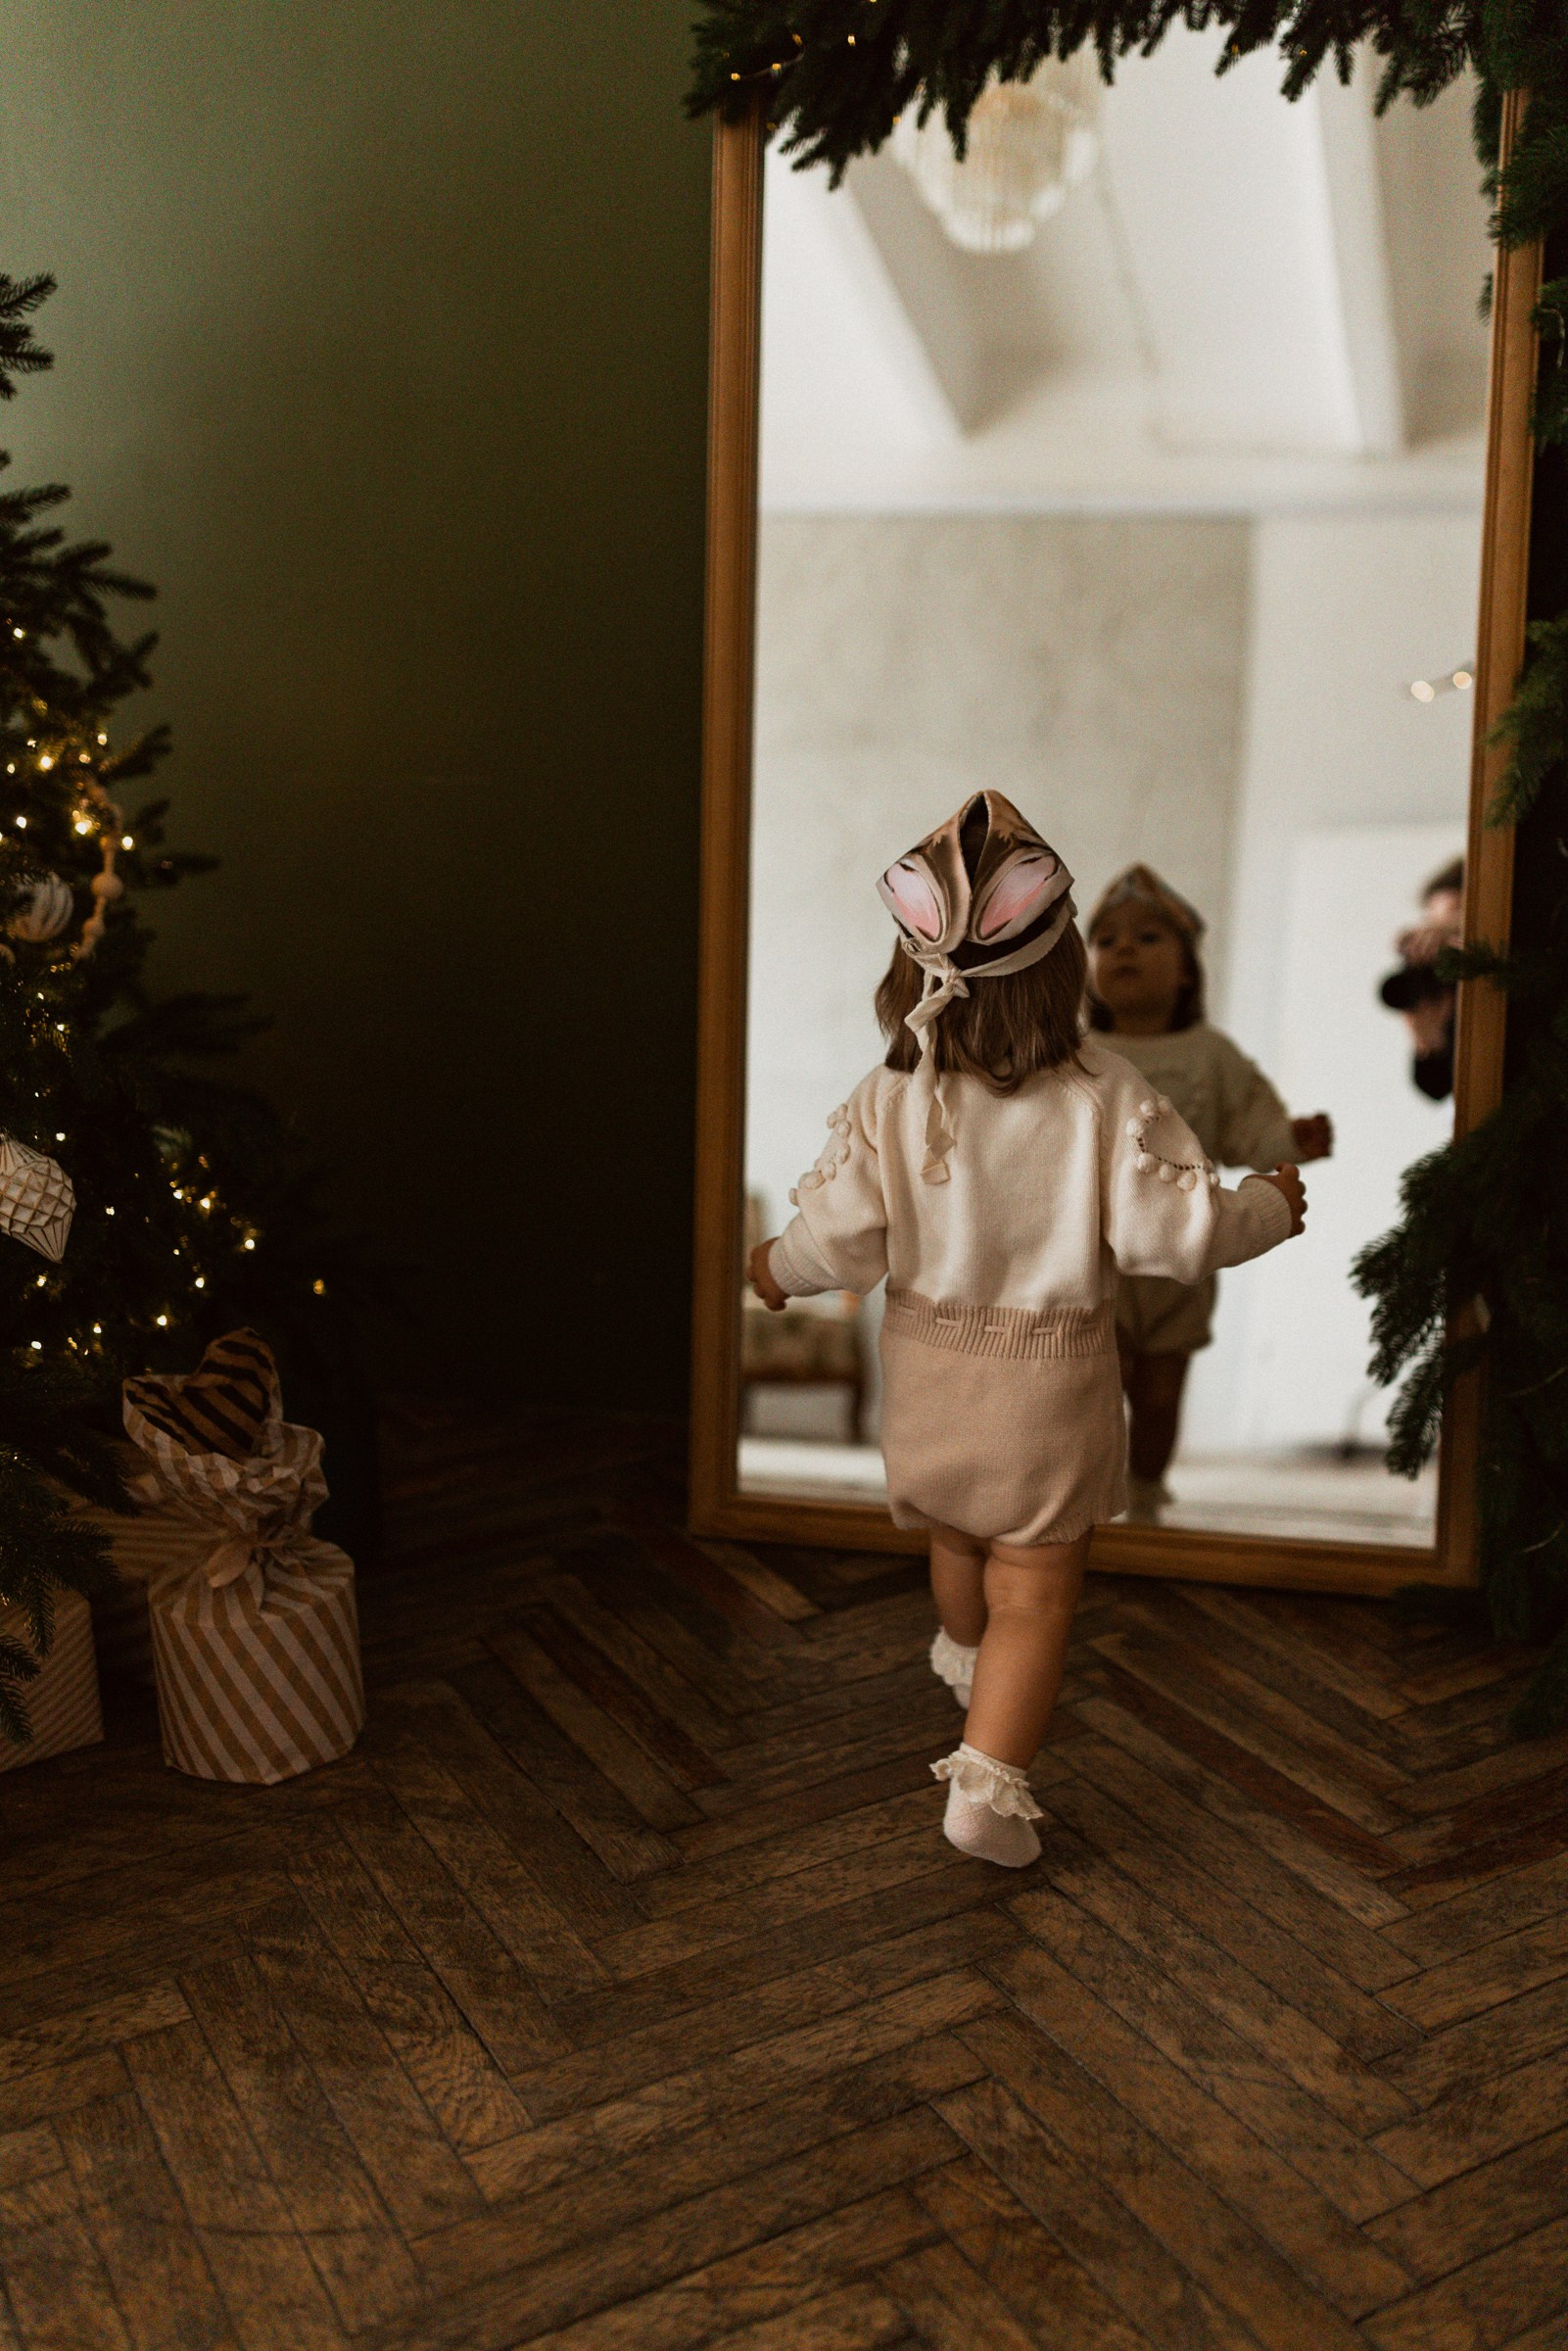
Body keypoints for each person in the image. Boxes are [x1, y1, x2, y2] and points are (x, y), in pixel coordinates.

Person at [748, 795, 1305, 1869]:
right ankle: (983, 1792)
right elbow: (1177, 1232)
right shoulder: (1103, 1094)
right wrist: (1270, 1207)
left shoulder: (891, 1093)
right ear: (1064, 971)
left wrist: (771, 1268)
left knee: (955, 1536)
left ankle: (966, 1654)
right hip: (1044, 1395)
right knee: (1034, 1594)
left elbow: (837, 1241)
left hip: (926, 1383)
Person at [1085, 865, 1333, 1520]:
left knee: (1160, 1396)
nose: (1124, 949)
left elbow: (1249, 1127)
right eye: (1106, 940)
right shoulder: (1071, 1054)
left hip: (1182, 1260)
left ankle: (1145, 1495)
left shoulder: (1211, 1055)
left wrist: (1290, 1138)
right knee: (1096, 1387)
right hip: (1093, 1258)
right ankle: (1089, 1499)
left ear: (1187, 972)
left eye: (1147, 937)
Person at [1378, 857, 1464, 1101]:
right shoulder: (1436, 989)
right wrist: (1431, 1045)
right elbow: (1436, 1089)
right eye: (1432, 923)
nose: (1435, 934)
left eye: (1455, 913)